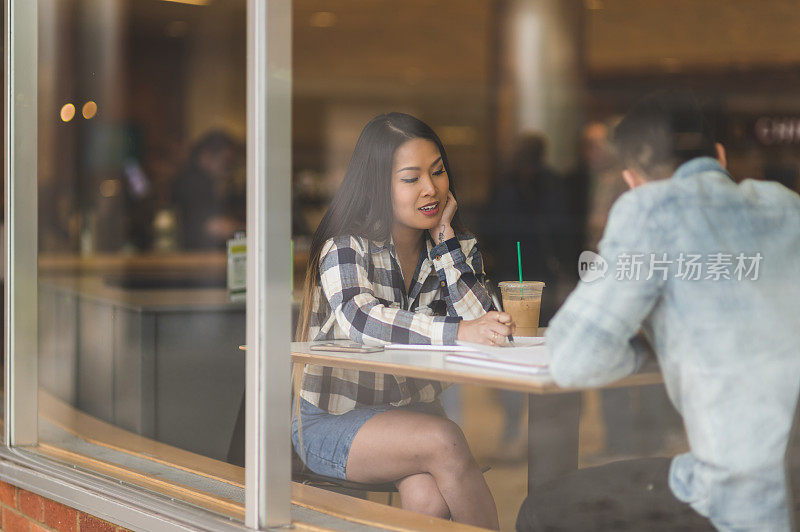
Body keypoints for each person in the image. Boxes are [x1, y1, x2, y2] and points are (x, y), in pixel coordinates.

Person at [517, 91, 800, 531]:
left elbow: (572, 361)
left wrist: (645, 350)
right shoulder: (785, 203)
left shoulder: (651, 207)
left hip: (738, 496)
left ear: (631, 179)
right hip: (791, 479)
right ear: (720, 156)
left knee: (541, 509)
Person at [294, 112, 513, 529]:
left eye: (438, 171)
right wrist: (459, 332)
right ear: (380, 186)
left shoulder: (456, 246)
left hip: (416, 414)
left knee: (428, 500)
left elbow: (487, 323)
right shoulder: (345, 244)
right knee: (446, 440)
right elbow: (362, 318)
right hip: (333, 421)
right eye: (411, 178)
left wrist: (446, 244)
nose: (431, 189)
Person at [171, 130, 245, 250]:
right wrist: (247, 228)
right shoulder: (193, 183)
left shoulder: (203, 182)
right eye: (226, 162)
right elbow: (213, 227)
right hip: (197, 259)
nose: (229, 169)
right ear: (206, 156)